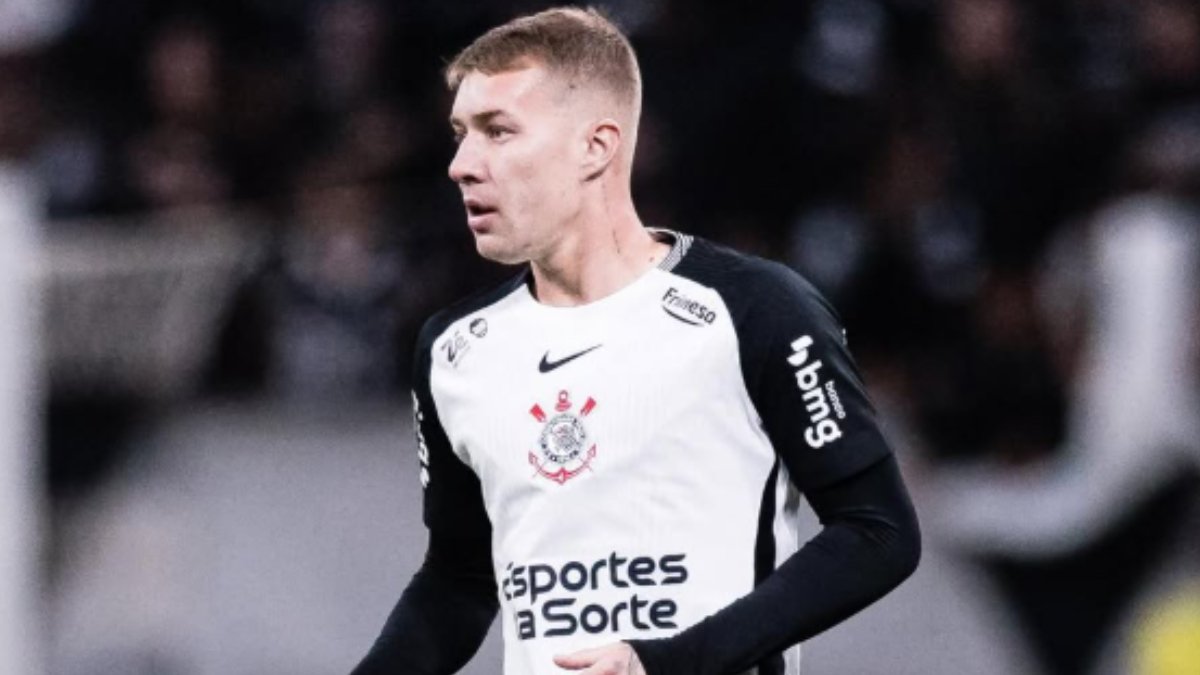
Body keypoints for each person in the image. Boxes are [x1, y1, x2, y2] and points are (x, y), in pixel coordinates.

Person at [351, 7, 919, 675]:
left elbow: (878, 531)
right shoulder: (455, 351)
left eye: (498, 131)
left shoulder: (754, 310)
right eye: (460, 134)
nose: (461, 165)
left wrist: (669, 662)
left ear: (596, 146)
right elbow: (460, 579)